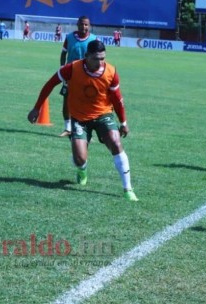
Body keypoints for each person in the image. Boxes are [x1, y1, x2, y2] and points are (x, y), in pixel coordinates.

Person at [28, 40, 138, 201]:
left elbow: (117, 99)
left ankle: (128, 189)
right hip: (79, 119)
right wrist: (37, 108)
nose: (100, 62)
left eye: (103, 58)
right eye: (96, 58)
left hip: (103, 115)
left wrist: (124, 123)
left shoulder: (111, 72)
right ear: (86, 56)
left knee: (116, 143)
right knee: (79, 159)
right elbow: (50, 84)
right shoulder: (72, 68)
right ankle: (82, 169)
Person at [59, 15, 97, 137]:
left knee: (88, 101)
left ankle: (87, 129)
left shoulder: (93, 39)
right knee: (67, 101)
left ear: (89, 26)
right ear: (77, 24)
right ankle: (68, 128)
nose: (83, 27)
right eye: (81, 24)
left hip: (87, 75)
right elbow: (63, 54)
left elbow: (97, 58)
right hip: (70, 74)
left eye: (86, 24)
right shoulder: (69, 37)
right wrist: (62, 68)